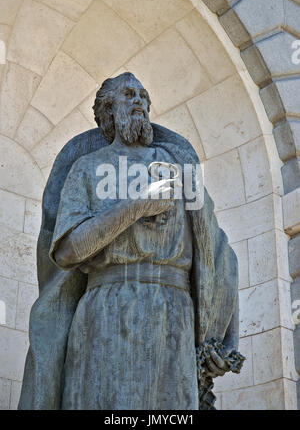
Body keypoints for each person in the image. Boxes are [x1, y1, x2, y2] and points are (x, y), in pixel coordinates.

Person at [18, 73, 244, 410]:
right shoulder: (87, 167)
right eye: (128, 94)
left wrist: (226, 339)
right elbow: (65, 251)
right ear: (108, 110)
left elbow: (217, 252)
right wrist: (137, 206)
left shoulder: (178, 166)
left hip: (172, 312)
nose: (139, 101)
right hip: (103, 311)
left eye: (143, 96)